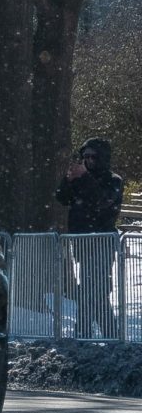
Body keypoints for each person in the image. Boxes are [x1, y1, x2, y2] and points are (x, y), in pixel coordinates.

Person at [55, 138, 124, 339]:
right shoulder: (81, 178)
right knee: (93, 291)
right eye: (85, 157)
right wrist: (68, 179)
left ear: (102, 158)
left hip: (102, 241)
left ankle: (82, 333)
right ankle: (110, 336)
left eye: (93, 157)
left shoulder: (113, 180)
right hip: (82, 240)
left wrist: (84, 178)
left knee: (94, 290)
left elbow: (102, 202)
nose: (89, 161)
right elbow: (62, 198)